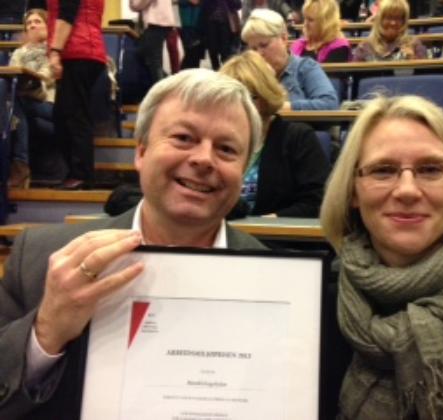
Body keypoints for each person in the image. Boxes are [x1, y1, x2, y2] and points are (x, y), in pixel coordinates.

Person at [0, 69, 266, 419]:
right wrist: (47, 331)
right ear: (141, 151)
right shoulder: (40, 258)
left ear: (243, 171)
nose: (204, 159)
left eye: (227, 149)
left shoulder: (277, 282)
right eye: (184, 137)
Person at [320, 95, 443, 418]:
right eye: (383, 170)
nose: (407, 190)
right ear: (352, 192)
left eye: (430, 169)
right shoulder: (312, 311)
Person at [220, 50, 329, 217]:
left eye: (250, 97)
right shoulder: (215, 142)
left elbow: (317, 201)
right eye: (232, 98)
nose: (240, 106)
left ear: (266, 96)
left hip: (276, 231)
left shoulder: (298, 138)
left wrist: (275, 220)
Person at [47, 0, 107, 190]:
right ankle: (77, 173)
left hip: (77, 51)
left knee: (74, 116)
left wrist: (55, 51)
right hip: (86, 49)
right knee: (64, 116)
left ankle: (81, 175)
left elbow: (67, 14)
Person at [241, 8, 339, 110]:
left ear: (284, 38)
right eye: (253, 49)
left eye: (264, 45)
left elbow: (330, 104)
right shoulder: (247, 74)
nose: (259, 54)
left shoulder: (305, 67)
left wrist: (283, 107)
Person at [8, 8, 55, 188]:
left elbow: (46, 79)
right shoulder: (19, 52)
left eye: (37, 21)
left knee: (14, 104)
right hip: (23, 103)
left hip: (49, 105)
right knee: (15, 106)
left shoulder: (54, 52)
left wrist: (24, 88)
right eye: (28, 23)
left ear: (48, 26)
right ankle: (20, 166)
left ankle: (20, 167)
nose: (32, 26)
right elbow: (12, 76)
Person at [354, 0, 427, 61]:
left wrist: (413, 59)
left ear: (404, 21)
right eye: (388, 17)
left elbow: (425, 71)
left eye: (398, 18)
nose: (393, 23)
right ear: (379, 20)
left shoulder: (414, 44)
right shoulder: (364, 47)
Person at [129, 0, 180, 82]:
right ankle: (164, 82)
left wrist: (134, 3)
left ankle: (161, 86)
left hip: (155, 23)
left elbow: (137, 5)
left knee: (155, 63)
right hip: (164, 22)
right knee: (151, 58)